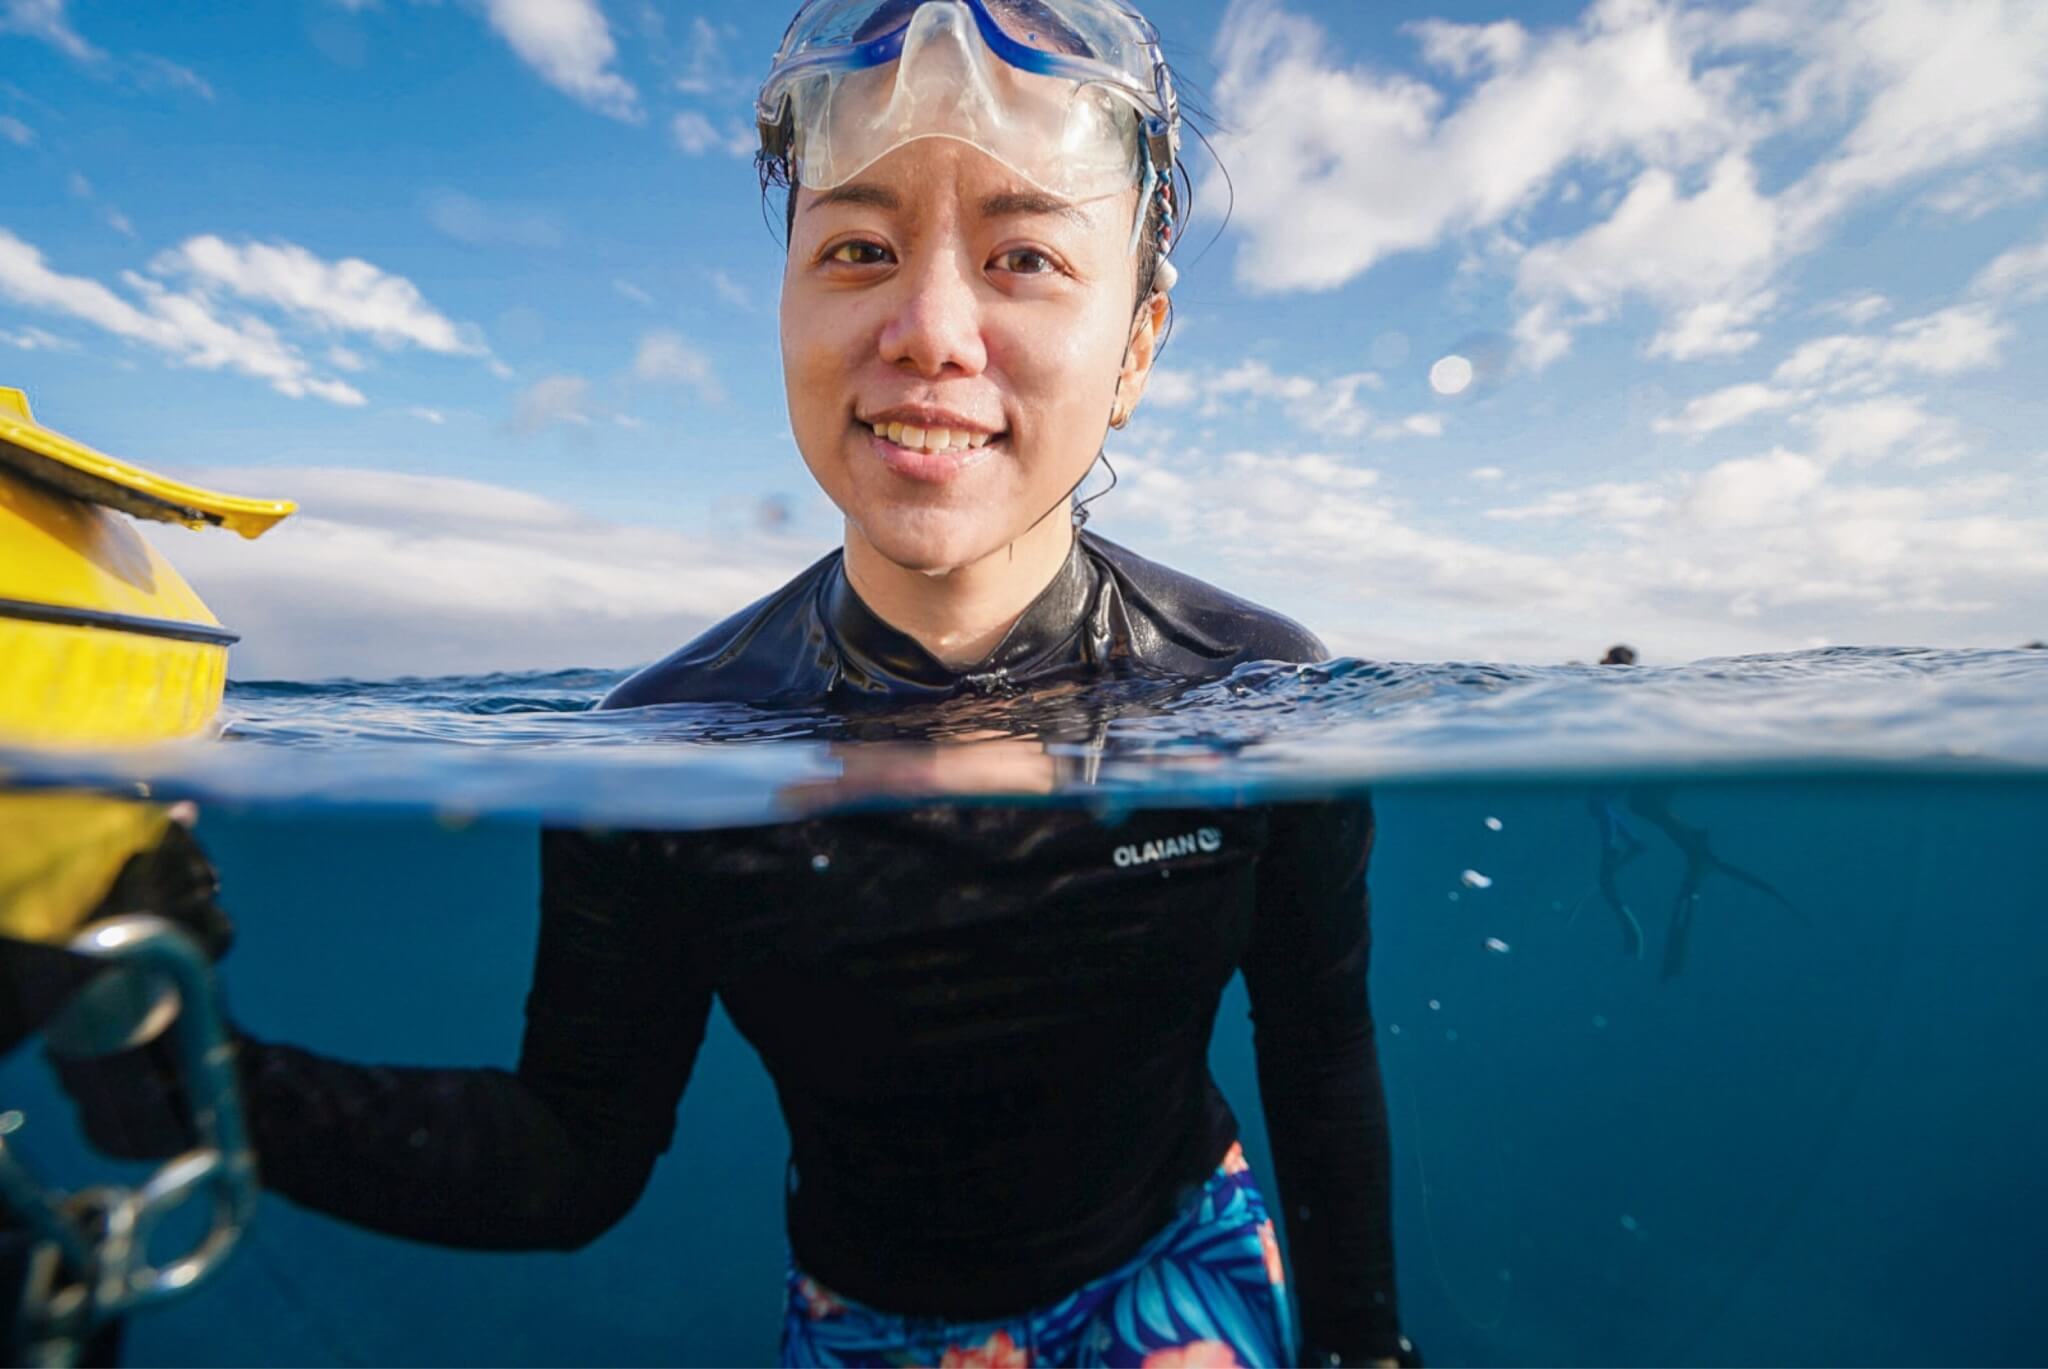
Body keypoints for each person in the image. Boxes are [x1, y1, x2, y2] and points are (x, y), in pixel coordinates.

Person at [68, 3, 1414, 1364]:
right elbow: (566, 1159)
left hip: (1177, 1257)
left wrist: (1371, 1354)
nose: (930, 328)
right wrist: (175, 1064)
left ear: (1137, 343)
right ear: (786, 298)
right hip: (870, 1321)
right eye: (859, 248)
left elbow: (1319, 1075)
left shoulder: (1256, 695)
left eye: (1024, 256)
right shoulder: (660, 751)